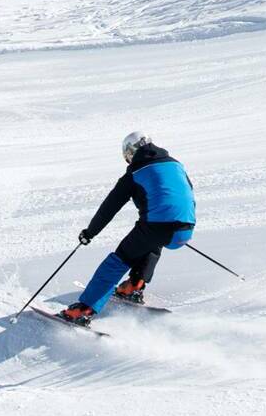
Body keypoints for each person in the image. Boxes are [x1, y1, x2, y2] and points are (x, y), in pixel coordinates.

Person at [57, 132, 195, 324]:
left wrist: (90, 233)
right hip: (185, 230)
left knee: (118, 261)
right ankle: (135, 284)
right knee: (151, 243)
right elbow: (186, 193)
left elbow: (109, 207)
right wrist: (179, 226)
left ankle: (83, 310)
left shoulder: (135, 173)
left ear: (132, 152)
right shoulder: (175, 165)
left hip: (157, 227)